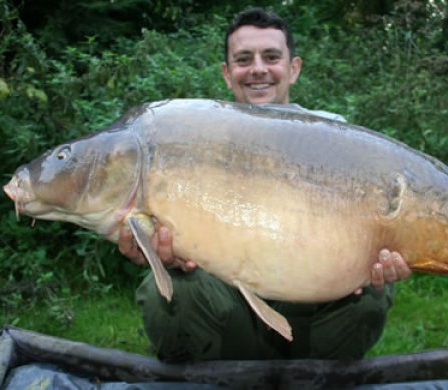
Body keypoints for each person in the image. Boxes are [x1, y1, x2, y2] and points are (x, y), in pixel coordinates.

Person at [117, 7, 412, 363]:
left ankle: (318, 380)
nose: (258, 68)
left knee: (371, 295)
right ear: (227, 74)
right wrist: (158, 251)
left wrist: (390, 254)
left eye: (271, 57)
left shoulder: (335, 137)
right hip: (228, 305)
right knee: (166, 292)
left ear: (294, 68)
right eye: (244, 59)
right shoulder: (198, 137)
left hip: (312, 307)